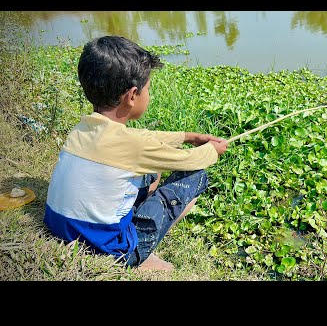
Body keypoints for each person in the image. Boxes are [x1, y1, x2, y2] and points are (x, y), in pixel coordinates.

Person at [43, 35, 228, 271]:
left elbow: (142, 139)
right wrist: (212, 149)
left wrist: (187, 137)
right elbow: (192, 159)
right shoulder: (134, 148)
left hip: (60, 227)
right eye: (148, 89)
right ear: (132, 96)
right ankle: (141, 252)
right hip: (109, 249)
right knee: (195, 175)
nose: (148, 95)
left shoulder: (81, 129)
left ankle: (133, 223)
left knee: (149, 173)